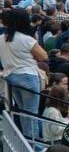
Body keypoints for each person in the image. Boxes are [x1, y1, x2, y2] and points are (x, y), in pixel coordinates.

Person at [0, 9, 48, 139]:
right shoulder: (26, 39)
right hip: (27, 76)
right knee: (31, 113)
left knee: (22, 112)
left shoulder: (2, 38)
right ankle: (33, 144)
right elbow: (44, 56)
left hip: (10, 76)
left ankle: (27, 140)